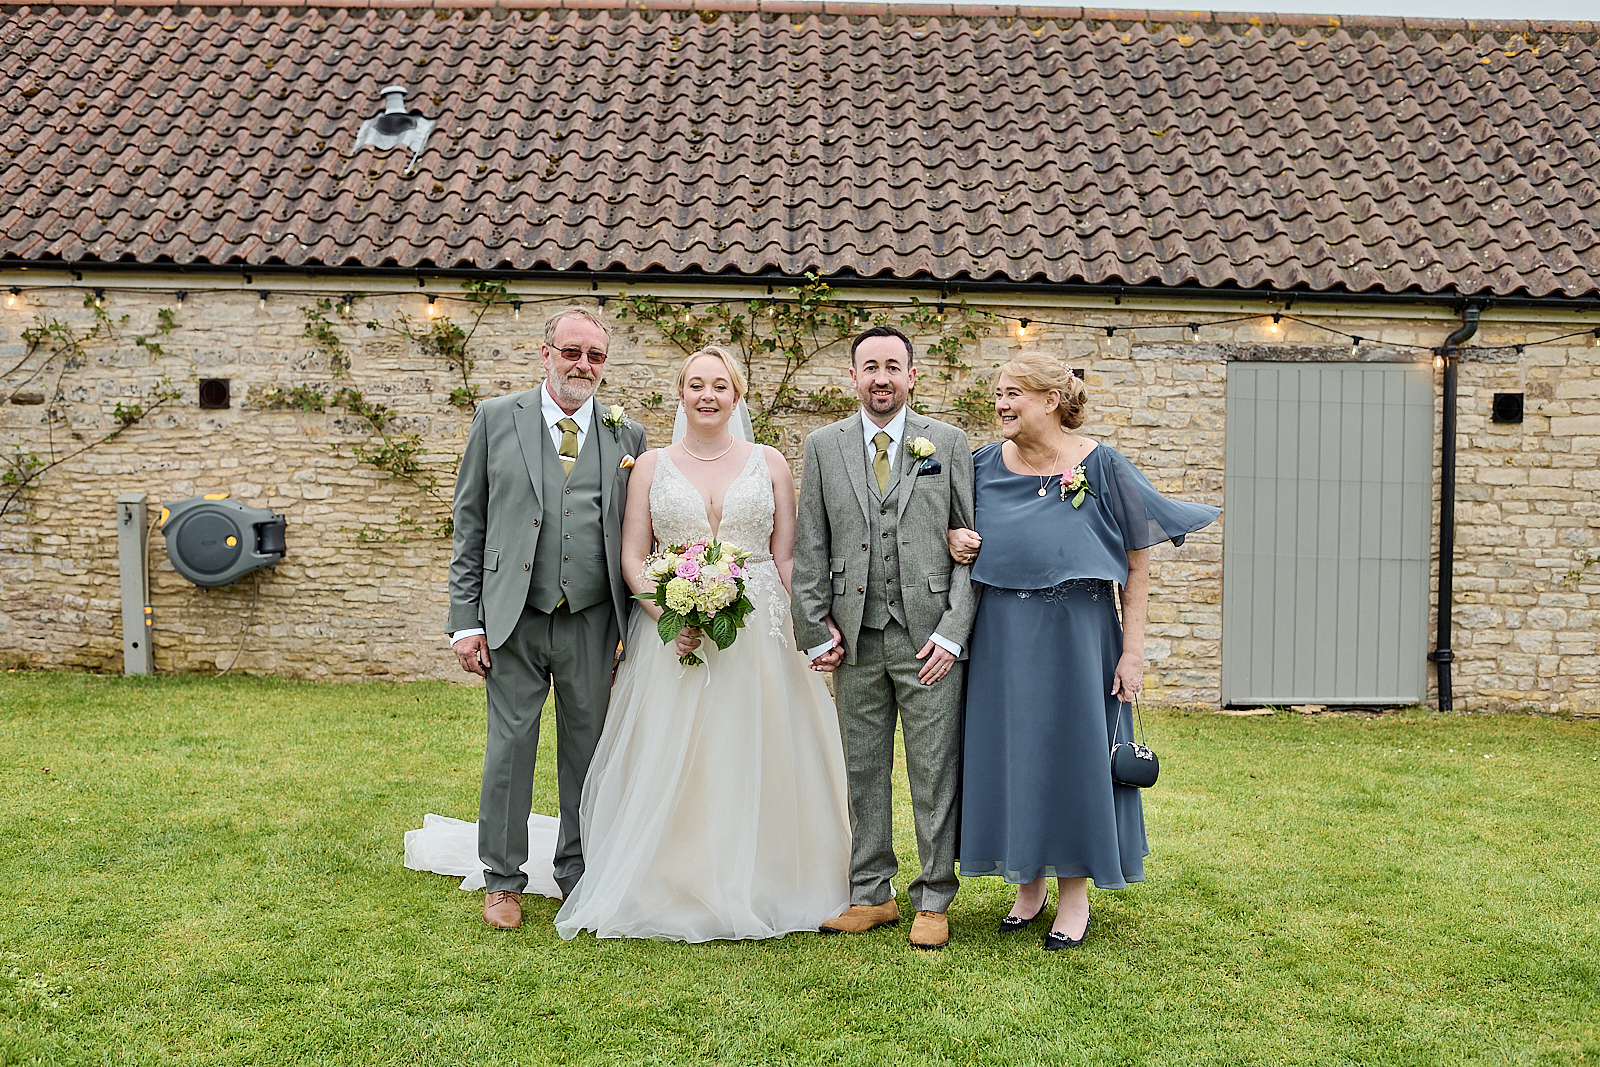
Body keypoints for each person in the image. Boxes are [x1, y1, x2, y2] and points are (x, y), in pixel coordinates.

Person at [554, 346, 851, 942]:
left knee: (760, 748)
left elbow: (786, 557)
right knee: (676, 752)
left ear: (737, 396)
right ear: (681, 393)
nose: (707, 395)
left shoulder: (770, 463)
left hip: (760, 632)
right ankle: (674, 874)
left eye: (719, 385)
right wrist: (668, 612)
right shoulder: (651, 466)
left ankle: (770, 877)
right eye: (696, 385)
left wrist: (814, 623)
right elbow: (633, 557)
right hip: (673, 634)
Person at [946, 353, 1218, 949]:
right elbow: (942, 525)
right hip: (1001, 637)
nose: (1000, 404)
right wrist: (952, 536)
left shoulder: (1103, 465)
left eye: (1013, 393)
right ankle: (1028, 884)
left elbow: (1137, 565)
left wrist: (1133, 652)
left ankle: (1074, 897)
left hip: (1080, 634)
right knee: (1015, 753)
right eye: (998, 393)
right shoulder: (980, 465)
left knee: (1073, 756)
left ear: (1050, 400)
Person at [445, 306, 649, 931]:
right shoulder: (495, 418)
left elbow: (638, 535)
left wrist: (635, 626)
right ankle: (502, 880)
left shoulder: (627, 435)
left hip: (593, 619)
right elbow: (470, 524)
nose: (582, 365)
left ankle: (578, 875)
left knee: (588, 753)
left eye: (595, 356)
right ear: (546, 354)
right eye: (571, 352)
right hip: (514, 614)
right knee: (509, 750)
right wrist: (466, 621)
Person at [791, 325, 978, 951]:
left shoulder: (948, 442)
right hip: (855, 637)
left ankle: (934, 897)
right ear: (852, 376)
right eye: (870, 366)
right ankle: (872, 892)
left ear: (912, 376)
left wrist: (952, 634)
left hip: (928, 640)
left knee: (934, 771)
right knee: (863, 769)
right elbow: (811, 545)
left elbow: (970, 545)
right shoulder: (824, 446)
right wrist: (815, 629)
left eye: (893, 366)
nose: (881, 378)